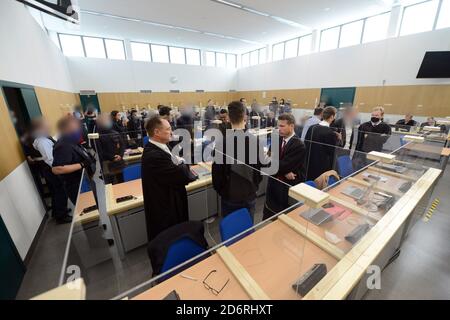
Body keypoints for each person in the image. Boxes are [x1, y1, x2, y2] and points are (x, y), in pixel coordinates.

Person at [141, 116, 198, 241]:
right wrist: (183, 164)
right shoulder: (153, 155)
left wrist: (181, 164)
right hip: (165, 205)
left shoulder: (162, 146)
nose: (172, 132)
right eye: (168, 129)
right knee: (171, 238)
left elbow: (178, 164)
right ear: (156, 132)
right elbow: (181, 173)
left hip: (171, 197)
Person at [212, 101, 262, 219]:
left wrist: (223, 191)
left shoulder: (221, 143)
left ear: (228, 117)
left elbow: (217, 175)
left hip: (230, 196)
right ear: (245, 116)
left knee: (232, 231)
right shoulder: (255, 140)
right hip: (249, 193)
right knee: (248, 230)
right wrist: (254, 187)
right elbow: (259, 171)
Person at [263, 114, 306, 220]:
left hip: (286, 189)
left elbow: (281, 165)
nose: (279, 129)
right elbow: (267, 160)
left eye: (282, 126)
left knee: (284, 219)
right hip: (273, 186)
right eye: (278, 126)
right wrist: (284, 172)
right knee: (270, 218)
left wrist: (278, 166)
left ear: (291, 126)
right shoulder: (276, 139)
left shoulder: (299, 145)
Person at [31, 118, 70, 224]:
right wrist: (61, 169)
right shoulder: (42, 141)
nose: (49, 127)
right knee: (60, 191)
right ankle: (62, 216)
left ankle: (58, 211)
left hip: (52, 169)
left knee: (56, 191)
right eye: (46, 126)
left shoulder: (44, 138)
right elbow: (50, 159)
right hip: (52, 170)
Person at [52, 117, 95, 205]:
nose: (79, 129)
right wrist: (82, 164)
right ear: (67, 129)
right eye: (75, 127)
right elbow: (57, 169)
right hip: (77, 186)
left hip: (86, 180)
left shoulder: (72, 141)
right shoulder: (63, 145)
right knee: (88, 210)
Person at [304, 106, 339, 181]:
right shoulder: (330, 133)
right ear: (332, 117)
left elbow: (306, 143)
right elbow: (332, 152)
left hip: (308, 164)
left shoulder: (312, 127)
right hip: (321, 167)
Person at [95, 114, 126, 184]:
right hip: (107, 164)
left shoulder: (115, 132)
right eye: (105, 120)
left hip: (119, 162)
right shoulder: (97, 135)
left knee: (121, 182)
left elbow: (122, 145)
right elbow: (100, 151)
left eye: (108, 119)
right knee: (110, 184)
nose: (107, 121)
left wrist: (120, 155)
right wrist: (112, 157)